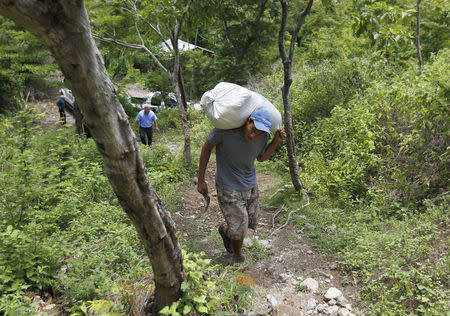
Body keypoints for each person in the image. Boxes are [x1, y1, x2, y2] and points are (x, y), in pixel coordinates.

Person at [197, 108, 286, 264]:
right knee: (240, 226)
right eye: (253, 129)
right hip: (228, 184)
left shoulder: (263, 136)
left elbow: (261, 157)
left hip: (250, 183)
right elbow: (206, 148)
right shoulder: (223, 131)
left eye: (259, 133)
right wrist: (201, 179)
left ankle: (225, 230)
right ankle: (237, 256)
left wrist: (276, 141)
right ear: (248, 121)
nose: (254, 135)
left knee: (250, 220)